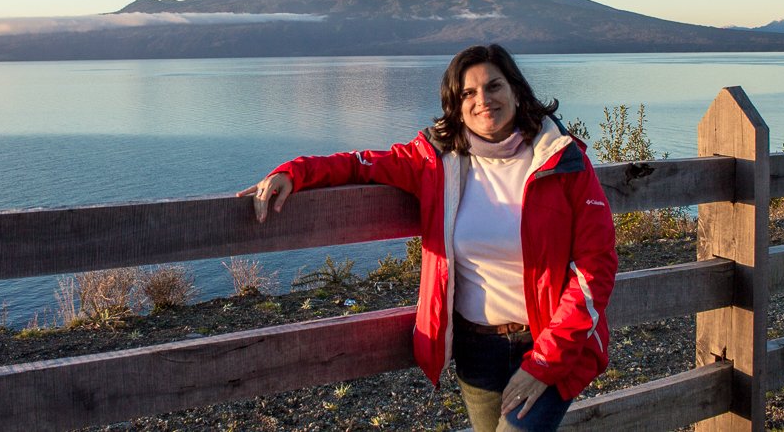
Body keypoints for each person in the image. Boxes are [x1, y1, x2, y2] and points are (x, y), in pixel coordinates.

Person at [238, 44, 617, 432]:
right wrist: (294, 172)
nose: (482, 100)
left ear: (517, 91)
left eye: (493, 86)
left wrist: (544, 362)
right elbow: (359, 165)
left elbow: (596, 266)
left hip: (549, 343)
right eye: (468, 93)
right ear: (455, 104)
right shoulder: (438, 160)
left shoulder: (562, 160)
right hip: (477, 350)